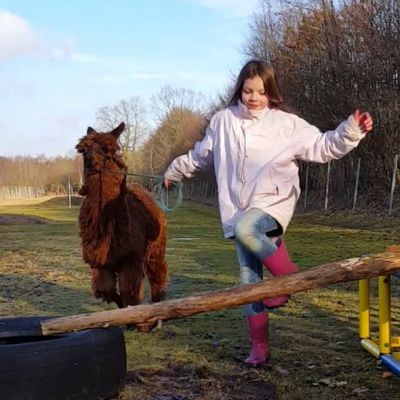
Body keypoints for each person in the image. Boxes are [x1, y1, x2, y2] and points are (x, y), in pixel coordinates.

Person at [163, 59, 373, 367]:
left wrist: (351, 130)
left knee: (249, 228)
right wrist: (174, 171)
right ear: (240, 90)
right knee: (249, 281)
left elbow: (323, 145)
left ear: (270, 92)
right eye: (248, 91)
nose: (253, 98)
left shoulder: (285, 123)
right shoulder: (223, 121)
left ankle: (288, 275)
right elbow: (200, 156)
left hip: (273, 201)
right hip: (238, 206)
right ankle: (259, 348)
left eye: (260, 92)